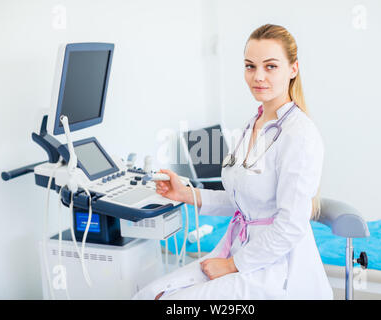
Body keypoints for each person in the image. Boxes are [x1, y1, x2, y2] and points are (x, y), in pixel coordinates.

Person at [133, 24, 333, 300]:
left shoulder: (300, 135)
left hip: (276, 269)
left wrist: (231, 265)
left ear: (293, 69)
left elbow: (290, 226)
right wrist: (185, 194)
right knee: (148, 294)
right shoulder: (255, 122)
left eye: (270, 66)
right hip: (243, 250)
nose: (258, 76)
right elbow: (244, 200)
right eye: (250, 66)